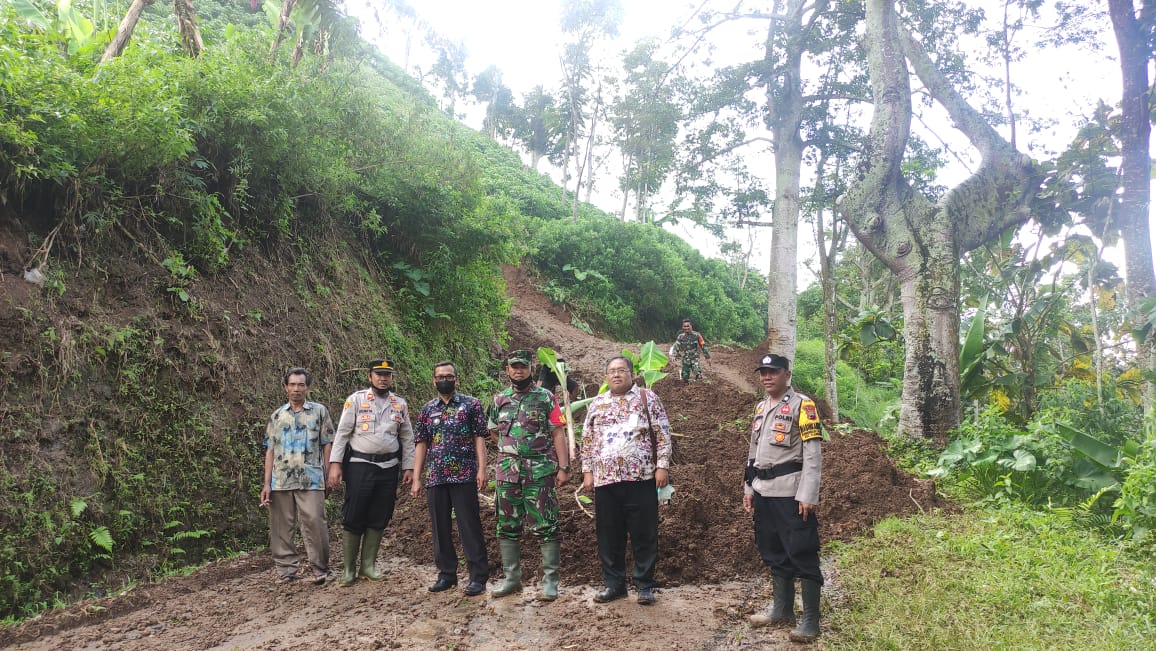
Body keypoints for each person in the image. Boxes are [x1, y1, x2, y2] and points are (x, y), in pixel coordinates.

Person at [743, 354, 823, 643]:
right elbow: (752, 452)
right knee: (773, 550)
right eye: (763, 372)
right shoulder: (761, 407)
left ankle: (810, 620)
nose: (767, 377)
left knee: (801, 552)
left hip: (791, 492)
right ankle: (782, 609)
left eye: (773, 372)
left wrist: (808, 494)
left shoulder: (803, 406)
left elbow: (813, 455)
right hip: (764, 490)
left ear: (786, 375)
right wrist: (748, 488)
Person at [580, 356, 673, 606]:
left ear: (632, 374)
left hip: (641, 478)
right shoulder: (598, 403)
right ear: (606, 377)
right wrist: (587, 471)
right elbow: (587, 439)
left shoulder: (647, 398)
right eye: (612, 371)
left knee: (644, 533)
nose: (617, 375)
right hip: (606, 480)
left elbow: (663, 433)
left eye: (622, 370)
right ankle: (614, 585)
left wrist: (662, 466)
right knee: (609, 535)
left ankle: (644, 585)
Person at [487, 349, 571, 601]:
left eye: (523, 366)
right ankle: (512, 579)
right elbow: (493, 432)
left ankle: (550, 582)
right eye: (514, 367)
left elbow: (558, 432)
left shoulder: (546, 397)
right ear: (508, 370)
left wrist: (564, 467)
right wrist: (511, 450)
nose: (518, 370)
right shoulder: (499, 399)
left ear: (530, 368)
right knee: (507, 526)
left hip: (539, 473)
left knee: (546, 524)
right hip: (507, 474)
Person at [327, 358, 415, 587]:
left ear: (392, 378)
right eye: (378, 374)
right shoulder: (356, 400)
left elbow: (407, 437)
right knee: (354, 513)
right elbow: (342, 434)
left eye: (387, 375)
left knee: (380, 514)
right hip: (360, 465)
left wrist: (409, 466)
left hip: (388, 468)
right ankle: (348, 570)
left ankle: (368, 566)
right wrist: (335, 464)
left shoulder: (399, 404)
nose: (383, 378)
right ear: (370, 376)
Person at [411, 361, 490, 597]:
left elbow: (480, 438)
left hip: (464, 474)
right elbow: (421, 444)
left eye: (449, 376)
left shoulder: (471, 405)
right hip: (436, 476)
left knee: (469, 526)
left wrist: (482, 469)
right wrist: (416, 477)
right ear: (434, 381)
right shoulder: (427, 410)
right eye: (440, 376)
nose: (444, 379)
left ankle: (478, 577)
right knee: (440, 527)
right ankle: (447, 574)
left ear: (456, 378)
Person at [261, 367, 335, 585]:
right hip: (281, 480)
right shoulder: (277, 416)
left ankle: (320, 569)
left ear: (308, 387)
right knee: (282, 526)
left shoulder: (319, 412)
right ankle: (286, 570)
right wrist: (266, 483)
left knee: (315, 522)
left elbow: (327, 444)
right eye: (292, 384)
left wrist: (329, 472)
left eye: (301, 385)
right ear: (285, 388)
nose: (296, 389)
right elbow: (270, 450)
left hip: (311, 478)